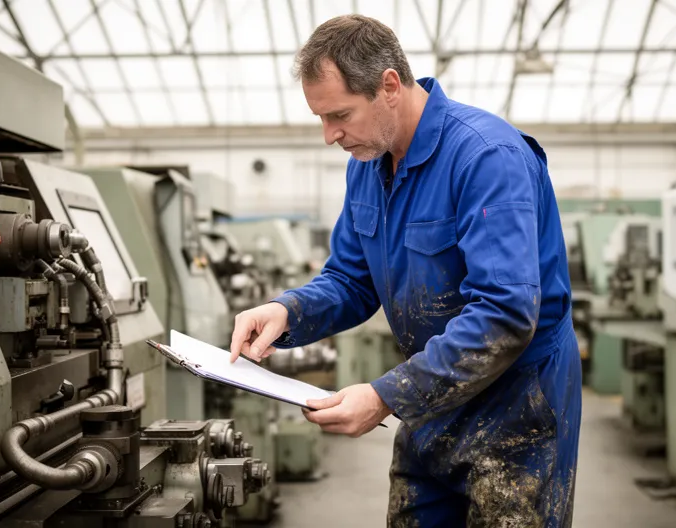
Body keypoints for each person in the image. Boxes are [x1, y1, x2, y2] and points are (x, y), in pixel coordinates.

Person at [228, 14, 581, 527]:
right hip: (432, 401)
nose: (330, 136)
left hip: (517, 410)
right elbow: (352, 278)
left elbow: (505, 313)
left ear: (389, 86)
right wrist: (287, 309)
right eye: (321, 119)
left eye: (340, 115)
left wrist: (384, 396)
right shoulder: (367, 166)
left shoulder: (486, 157)